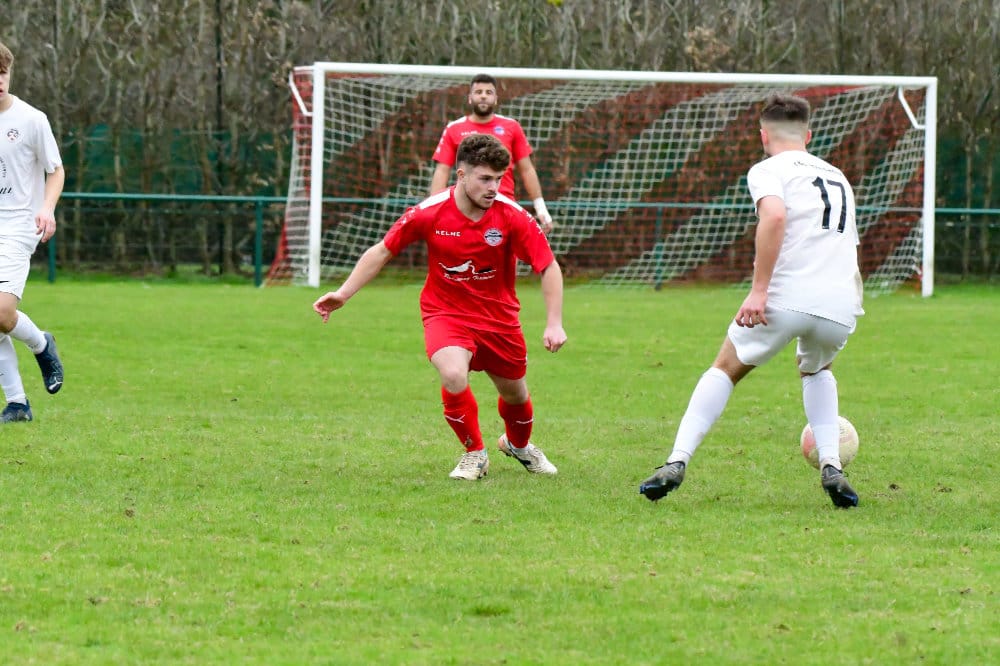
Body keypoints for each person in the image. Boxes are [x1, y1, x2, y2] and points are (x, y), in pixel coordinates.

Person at [638, 93, 864, 508]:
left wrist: (759, 290)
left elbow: (774, 216)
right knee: (817, 369)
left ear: (763, 135)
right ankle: (832, 465)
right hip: (841, 301)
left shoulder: (768, 169)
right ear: (808, 135)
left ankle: (676, 461)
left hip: (788, 295)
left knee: (725, 369)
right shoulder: (838, 176)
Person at [314, 133, 567, 480]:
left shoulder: (512, 215)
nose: (493, 187)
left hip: (499, 318)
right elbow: (383, 250)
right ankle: (475, 453)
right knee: (452, 373)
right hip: (445, 313)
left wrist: (554, 322)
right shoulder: (429, 212)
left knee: (515, 394)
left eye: (498, 178)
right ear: (461, 175)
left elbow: (548, 266)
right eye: (485, 178)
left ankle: (518, 445)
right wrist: (343, 294)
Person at [0, 41, 65, 424]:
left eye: (2, 73)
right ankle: (18, 404)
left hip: (18, 226)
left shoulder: (31, 120)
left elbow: (55, 170)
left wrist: (47, 208)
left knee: (2, 311)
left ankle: (42, 345)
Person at [429, 73, 554, 235]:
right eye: (478, 92)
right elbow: (442, 170)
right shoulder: (454, 128)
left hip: (504, 206)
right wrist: (434, 208)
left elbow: (527, 169)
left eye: (488, 92)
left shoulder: (511, 127)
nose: (483, 96)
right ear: (470, 98)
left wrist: (540, 207)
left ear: (495, 99)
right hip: (466, 208)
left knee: (508, 250)